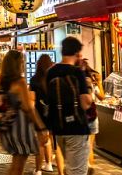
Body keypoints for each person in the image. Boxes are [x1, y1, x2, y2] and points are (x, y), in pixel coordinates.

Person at [0, 50, 49, 175]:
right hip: (19, 128)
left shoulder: (2, 81)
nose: (23, 64)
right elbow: (28, 107)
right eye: (21, 61)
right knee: (19, 165)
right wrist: (41, 127)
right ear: (17, 64)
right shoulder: (19, 82)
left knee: (16, 163)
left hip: (7, 127)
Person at [46, 37, 92, 175]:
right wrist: (89, 89)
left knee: (71, 167)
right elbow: (85, 103)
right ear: (77, 53)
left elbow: (49, 100)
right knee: (77, 171)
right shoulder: (77, 72)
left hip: (58, 128)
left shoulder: (51, 72)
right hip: (77, 128)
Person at [30, 54, 56, 175]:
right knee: (49, 140)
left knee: (40, 142)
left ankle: (38, 169)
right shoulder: (53, 78)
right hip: (52, 113)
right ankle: (49, 164)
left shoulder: (34, 79)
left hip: (39, 112)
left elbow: (31, 100)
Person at [80, 59, 105, 169]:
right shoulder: (91, 83)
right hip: (92, 115)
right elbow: (102, 97)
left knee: (80, 146)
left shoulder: (78, 83)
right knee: (90, 146)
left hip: (80, 116)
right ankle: (89, 166)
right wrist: (99, 83)